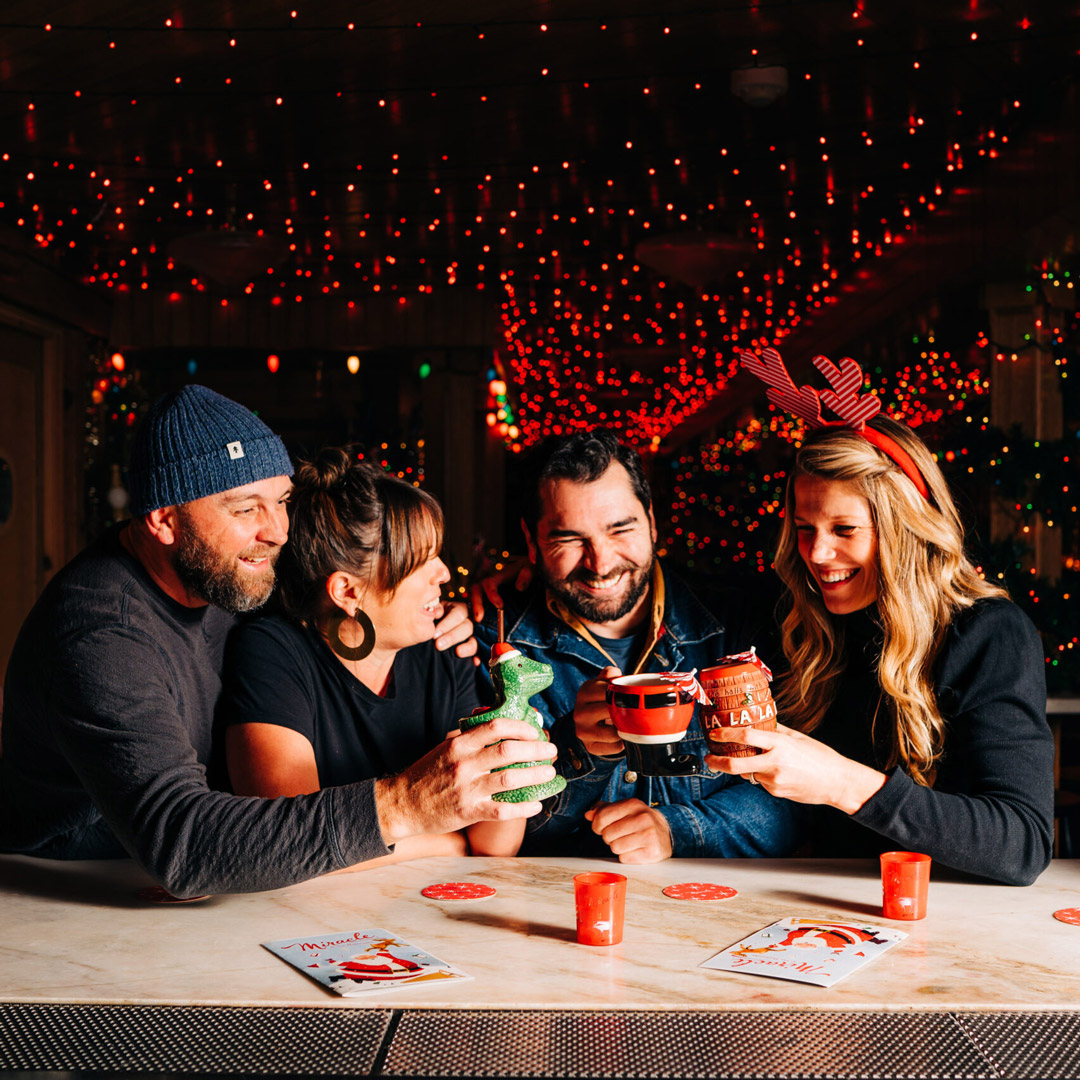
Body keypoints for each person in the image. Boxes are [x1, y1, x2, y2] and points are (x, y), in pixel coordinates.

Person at [0, 386, 556, 897]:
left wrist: (474, 596)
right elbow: (183, 845)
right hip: (70, 888)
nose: (278, 531)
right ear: (164, 521)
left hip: (198, 886)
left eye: (283, 500)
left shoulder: (224, 566)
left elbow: (356, 581)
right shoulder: (101, 633)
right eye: (246, 509)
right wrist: (408, 805)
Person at [707, 350, 1054, 886]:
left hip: (960, 915)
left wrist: (841, 783)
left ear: (904, 531)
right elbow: (663, 581)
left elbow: (1022, 844)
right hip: (822, 907)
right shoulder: (795, 615)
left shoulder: (987, 633)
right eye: (804, 528)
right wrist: (529, 568)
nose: (817, 555)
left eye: (845, 531)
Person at [473, 429, 804, 863]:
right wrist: (577, 748)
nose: (601, 562)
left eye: (620, 529)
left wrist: (677, 830)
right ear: (531, 542)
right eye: (568, 539)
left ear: (650, 520)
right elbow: (498, 840)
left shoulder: (742, 624)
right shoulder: (491, 644)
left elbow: (799, 803)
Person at [221, 447, 523, 861]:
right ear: (347, 591)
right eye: (421, 561)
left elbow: (494, 846)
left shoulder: (444, 650)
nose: (444, 574)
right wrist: (450, 843)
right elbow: (290, 848)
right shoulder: (272, 654)